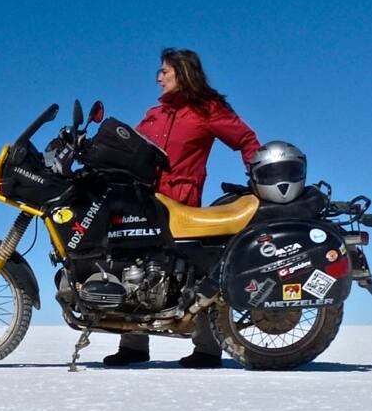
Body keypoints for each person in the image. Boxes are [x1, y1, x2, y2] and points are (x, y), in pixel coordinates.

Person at [103, 48, 262, 369]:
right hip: (144, 200)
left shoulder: (207, 110)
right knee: (135, 266)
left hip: (183, 204)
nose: (158, 78)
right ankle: (133, 345)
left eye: (164, 71)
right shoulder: (154, 115)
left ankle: (206, 349)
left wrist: (258, 175)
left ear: (183, 72)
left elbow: (246, 139)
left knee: (196, 271)